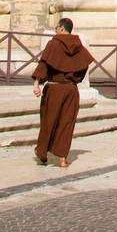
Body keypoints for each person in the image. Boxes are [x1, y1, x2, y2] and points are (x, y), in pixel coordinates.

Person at [32, 17, 94, 167]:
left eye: (56, 28)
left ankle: (42, 154)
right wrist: (75, 79)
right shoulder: (78, 46)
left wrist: (36, 83)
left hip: (54, 88)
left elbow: (44, 65)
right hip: (71, 90)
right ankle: (62, 158)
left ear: (61, 28)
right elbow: (84, 65)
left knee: (48, 121)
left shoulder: (53, 44)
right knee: (66, 123)